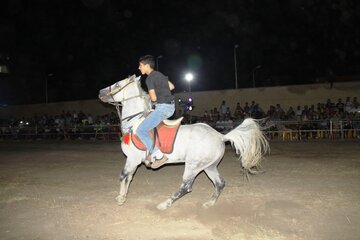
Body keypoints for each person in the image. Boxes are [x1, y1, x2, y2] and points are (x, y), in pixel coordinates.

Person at [136, 55, 175, 167]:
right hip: (170, 106)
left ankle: (159, 155)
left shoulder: (149, 78)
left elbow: (154, 99)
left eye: (141, 65)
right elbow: (172, 86)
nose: (139, 68)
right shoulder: (160, 75)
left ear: (147, 66)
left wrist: (147, 96)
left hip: (163, 108)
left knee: (141, 130)